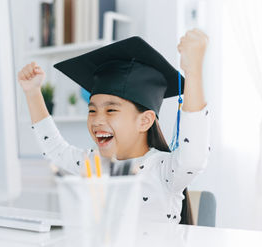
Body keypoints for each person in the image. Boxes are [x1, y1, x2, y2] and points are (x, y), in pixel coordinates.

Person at [18, 29, 210, 224]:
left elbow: (193, 159)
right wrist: (33, 92)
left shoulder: (163, 169)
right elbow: (55, 150)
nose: (97, 120)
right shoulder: (93, 164)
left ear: (144, 121)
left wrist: (193, 72)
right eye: (92, 111)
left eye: (111, 110)